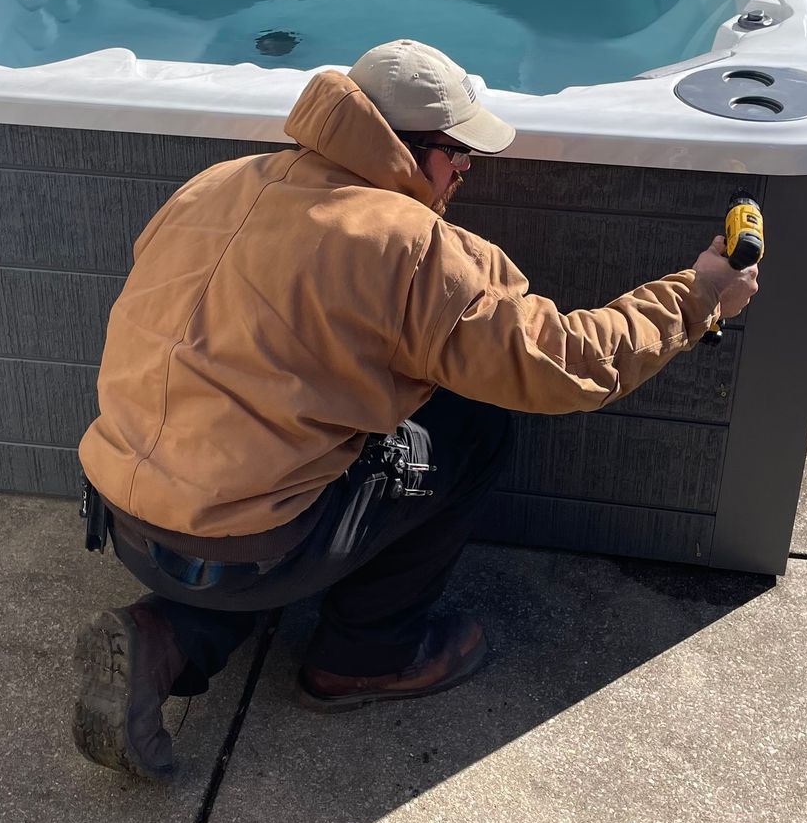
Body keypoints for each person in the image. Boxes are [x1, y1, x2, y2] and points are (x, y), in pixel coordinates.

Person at [73, 40, 759, 779]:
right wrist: (698, 297)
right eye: (458, 153)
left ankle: (166, 634)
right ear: (403, 147)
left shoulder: (217, 183)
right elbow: (565, 365)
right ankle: (363, 657)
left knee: (258, 464)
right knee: (472, 428)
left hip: (128, 519)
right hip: (254, 545)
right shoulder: (405, 246)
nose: (465, 169)